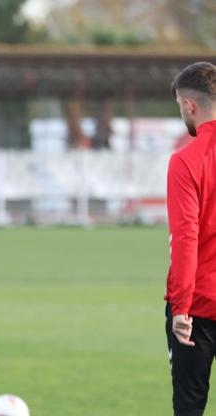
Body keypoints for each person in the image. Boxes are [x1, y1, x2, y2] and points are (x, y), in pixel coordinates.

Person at [165, 61, 216, 416]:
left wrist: (181, 306)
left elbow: (186, 237)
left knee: (189, 407)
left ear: (189, 105)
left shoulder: (185, 161)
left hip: (197, 305)